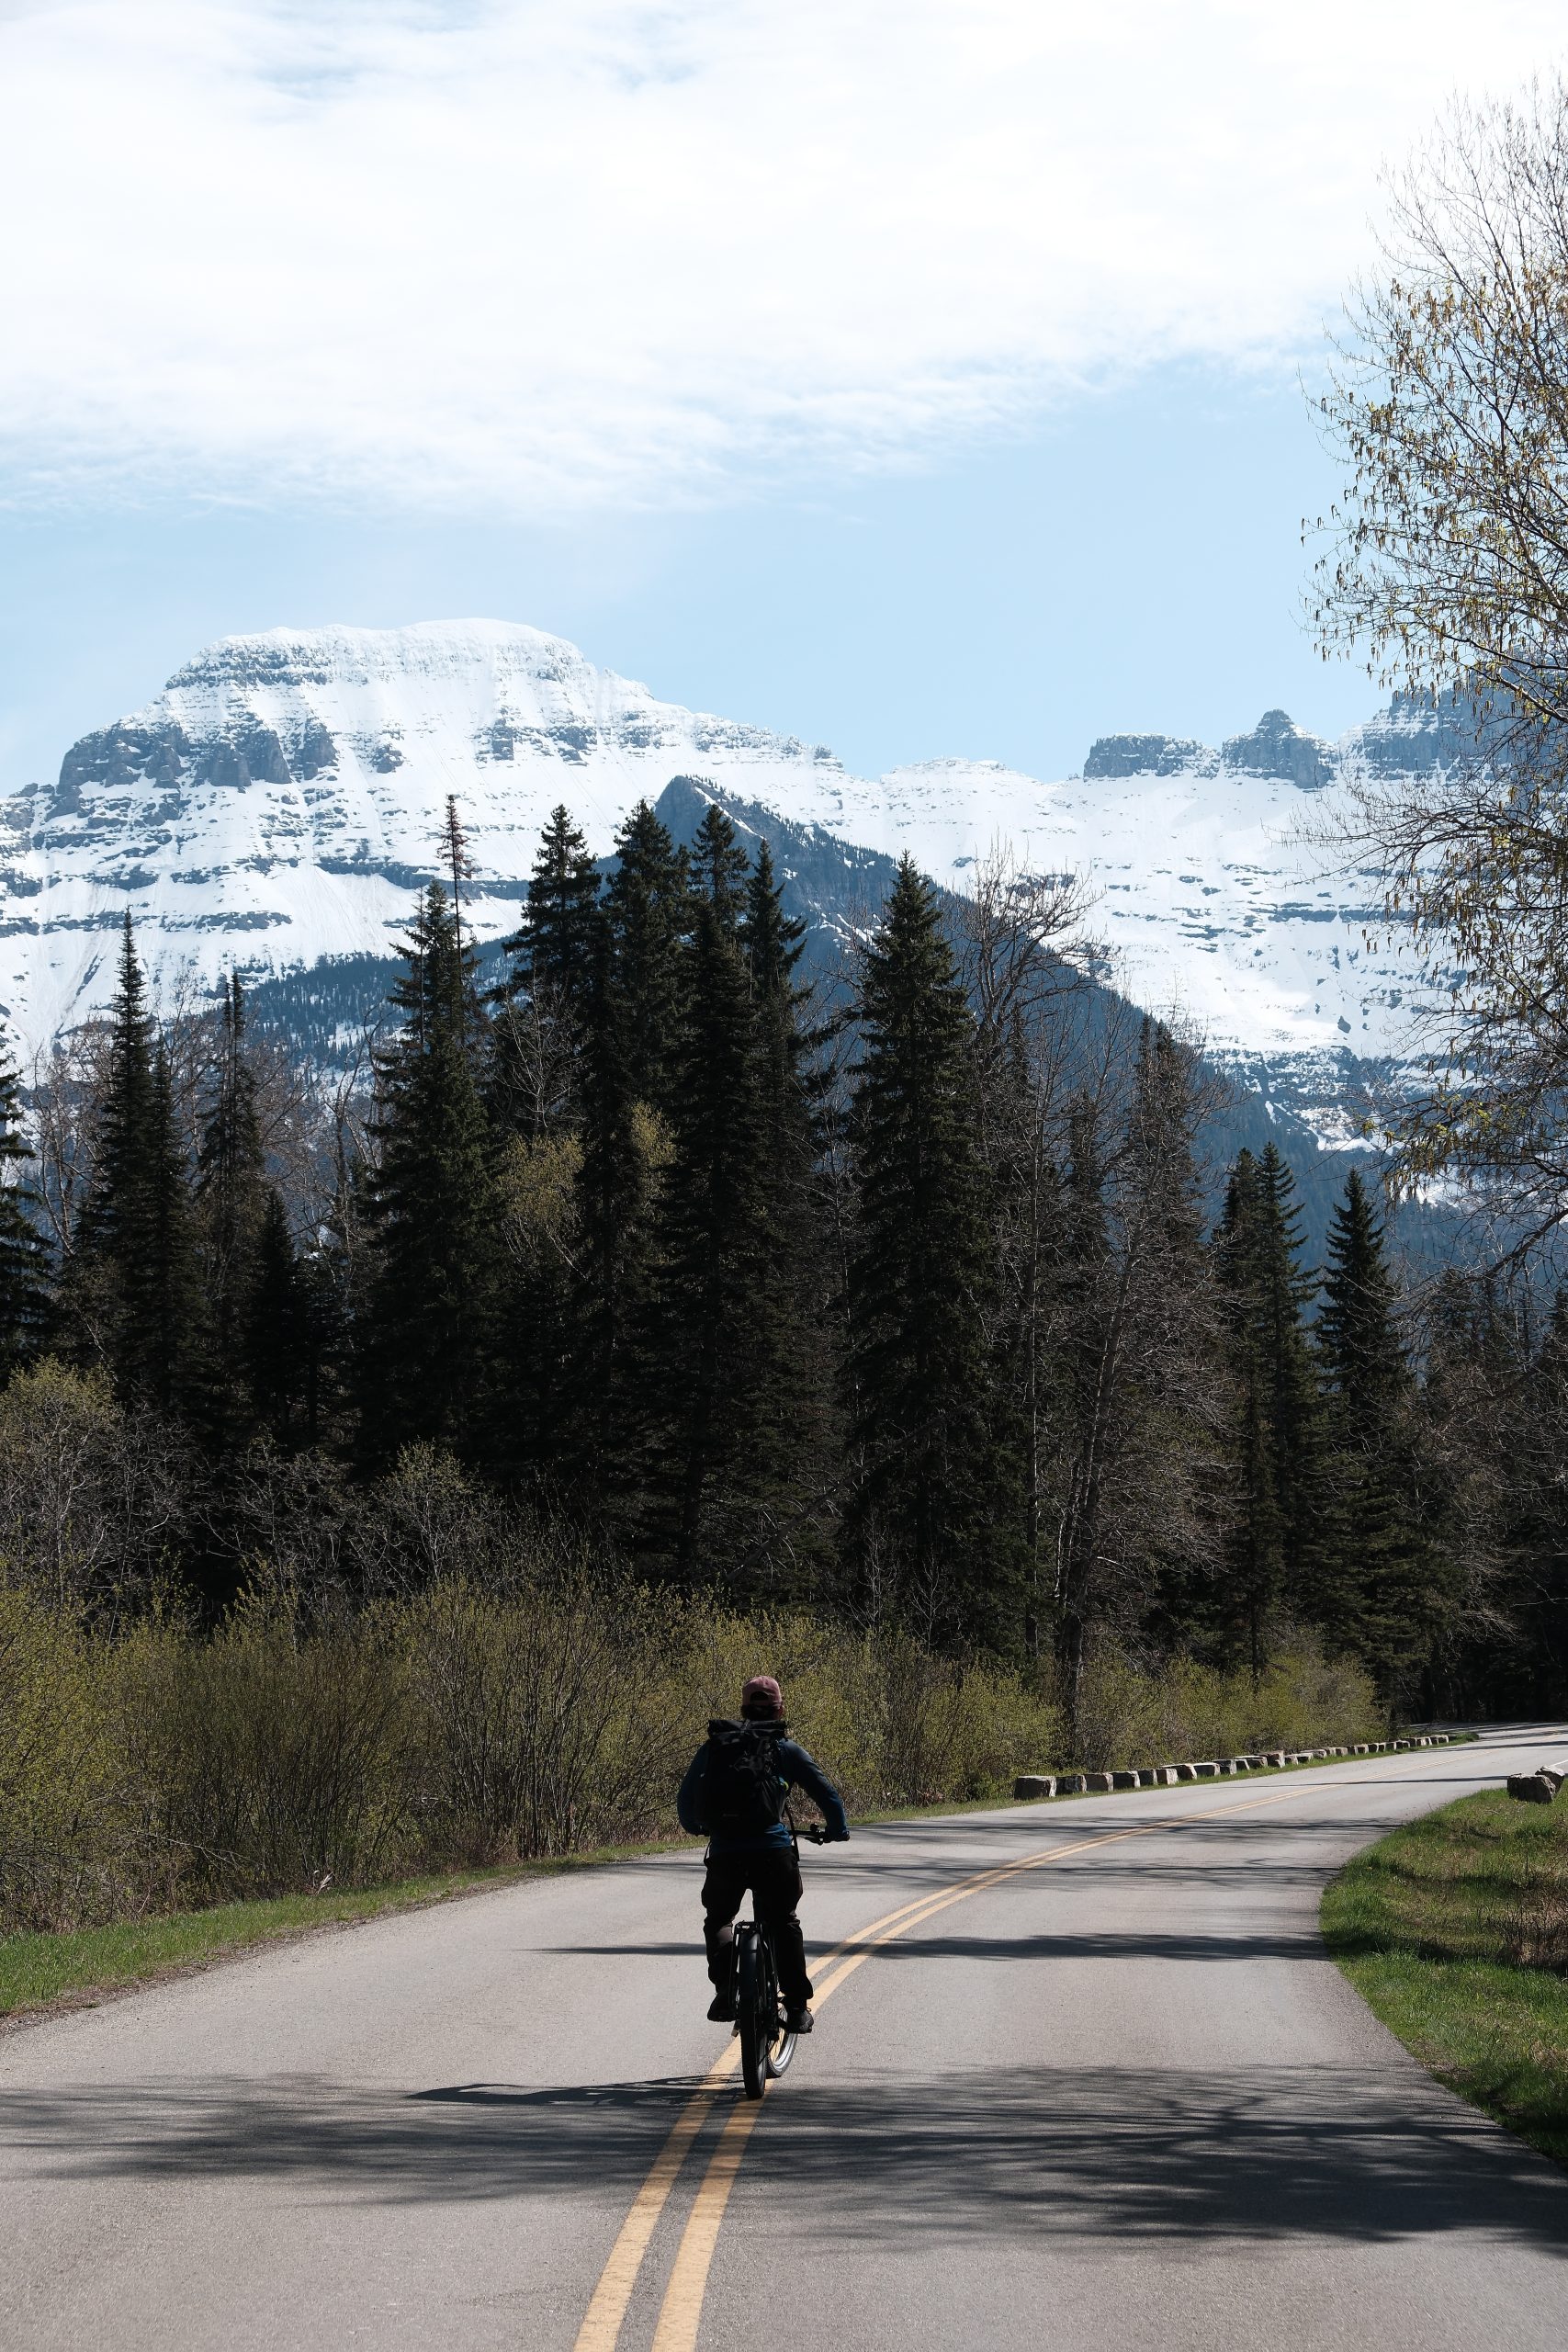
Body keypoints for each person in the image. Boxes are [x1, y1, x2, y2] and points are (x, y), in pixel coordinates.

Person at [677, 1674, 849, 2034]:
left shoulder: (716, 1747)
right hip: (772, 1852)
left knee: (720, 1920)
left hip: (726, 1852)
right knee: (783, 1921)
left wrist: (696, 1826)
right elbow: (828, 1794)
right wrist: (837, 1830)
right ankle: (798, 2008)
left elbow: (686, 1798)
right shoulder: (785, 1749)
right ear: (779, 1709)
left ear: (742, 1709)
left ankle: (726, 1990)